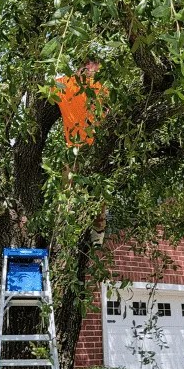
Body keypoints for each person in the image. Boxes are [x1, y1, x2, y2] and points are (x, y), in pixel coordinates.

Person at [55, 61, 109, 245]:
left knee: (90, 193)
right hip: (80, 149)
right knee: (76, 192)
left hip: (89, 149)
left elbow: (46, 91)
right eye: (93, 66)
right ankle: (89, 233)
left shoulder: (66, 84)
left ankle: (92, 232)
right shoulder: (68, 84)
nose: (93, 71)